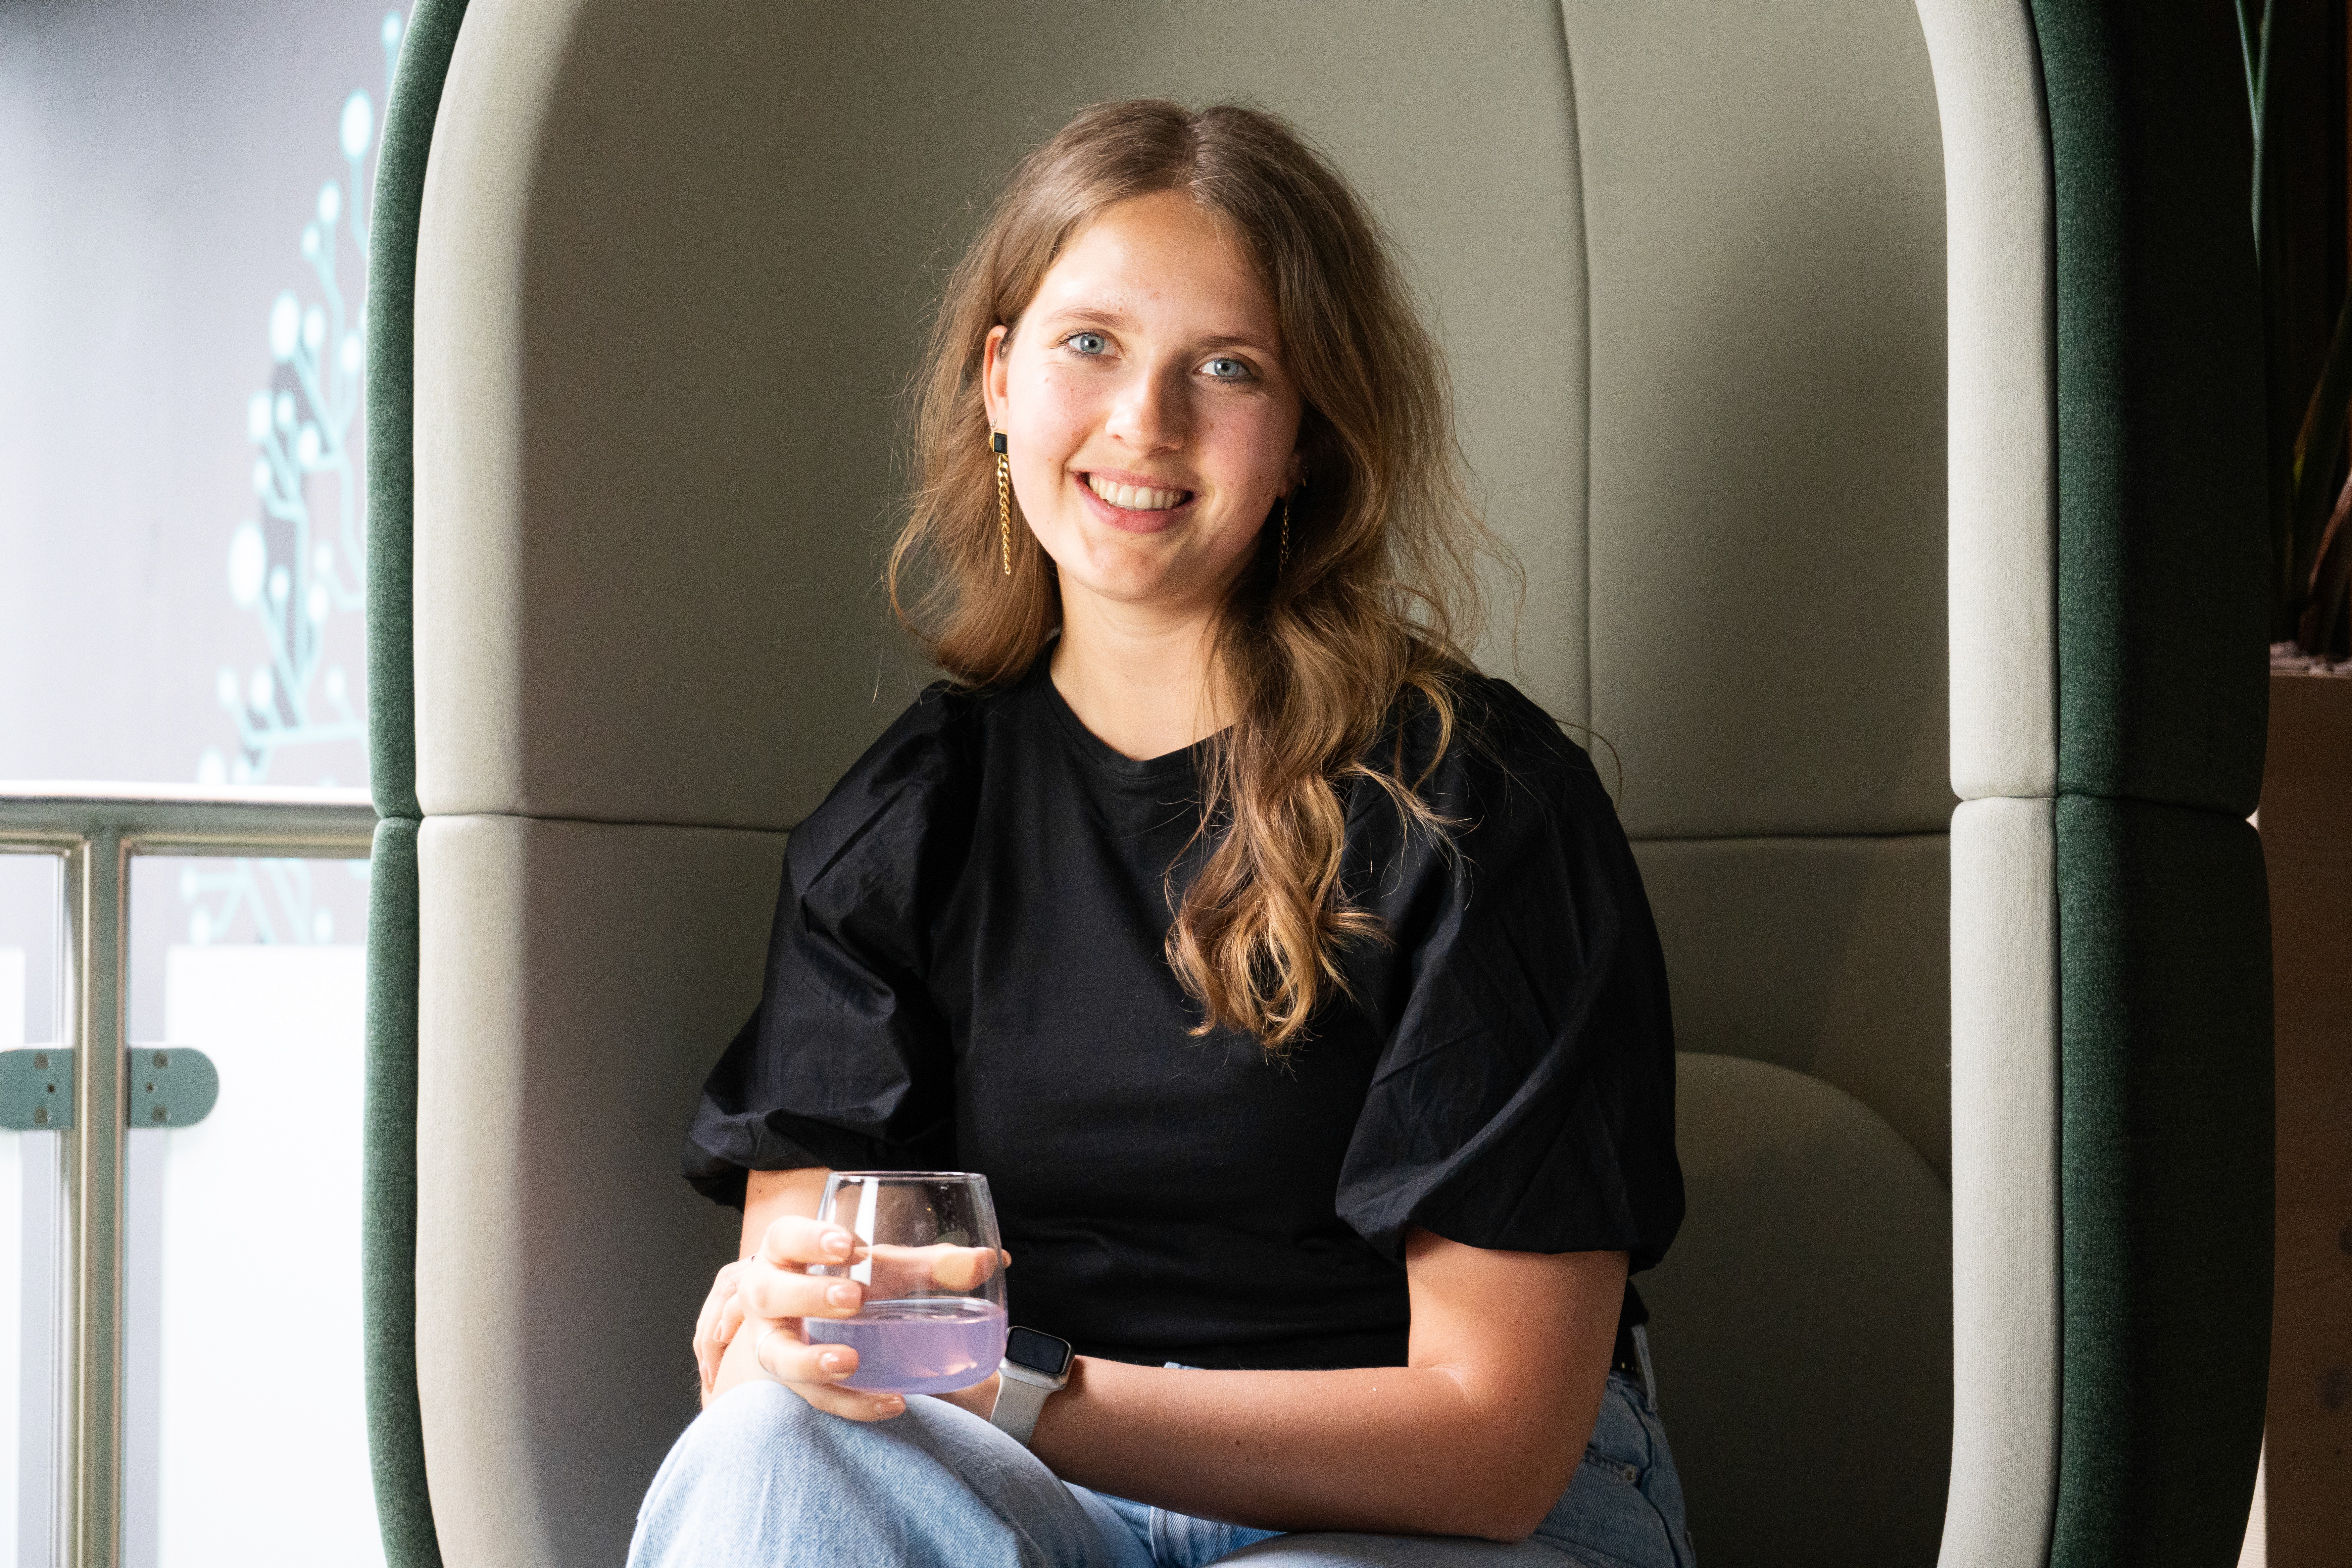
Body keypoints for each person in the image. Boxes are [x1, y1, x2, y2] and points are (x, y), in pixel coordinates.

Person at [629, 99, 1695, 1568]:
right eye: (1090, 345)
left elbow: (1499, 1444)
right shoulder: (900, 827)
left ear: (1308, 439)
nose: (1146, 422)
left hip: (1417, 1516)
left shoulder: (1474, 801)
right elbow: (793, 1338)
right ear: (1000, 380)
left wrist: (1017, 1389)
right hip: (1021, 1494)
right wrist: (777, 1344)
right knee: (768, 1450)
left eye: (1230, 367)